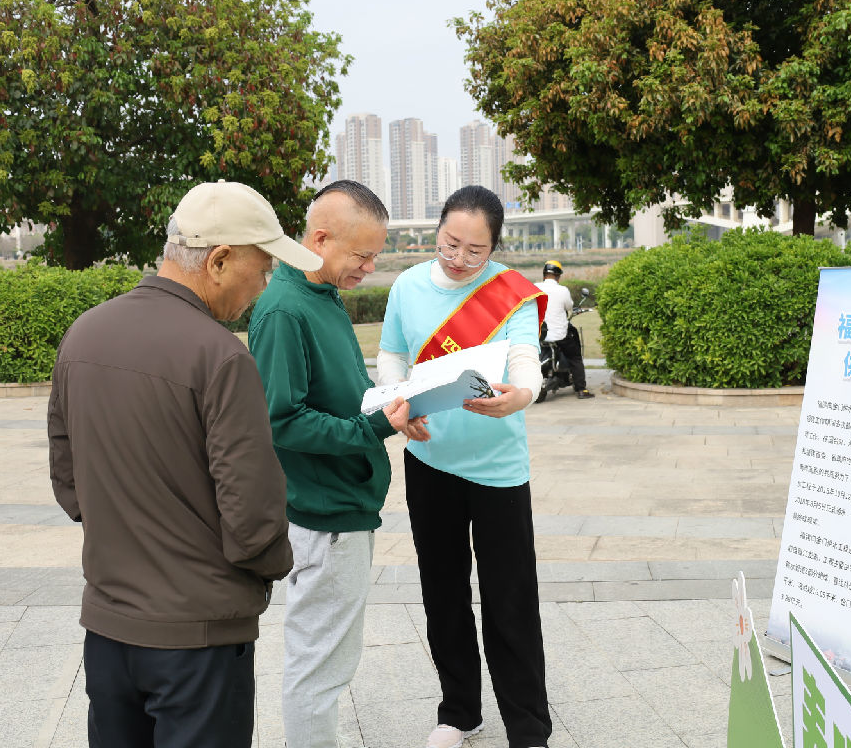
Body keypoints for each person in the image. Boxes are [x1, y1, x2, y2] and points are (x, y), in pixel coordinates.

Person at [48, 180, 320, 748]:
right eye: (263, 268)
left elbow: (69, 483)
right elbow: (252, 516)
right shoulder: (220, 356)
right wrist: (272, 566)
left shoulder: (83, 335)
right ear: (219, 261)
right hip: (199, 640)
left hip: (109, 629)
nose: (263, 285)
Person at [248, 179, 429, 748]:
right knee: (320, 667)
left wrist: (391, 407)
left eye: (376, 256)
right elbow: (281, 421)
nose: (370, 269)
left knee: (327, 660)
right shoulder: (285, 310)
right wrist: (374, 428)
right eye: (362, 255)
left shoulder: (320, 294)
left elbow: (335, 393)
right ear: (320, 239)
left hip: (343, 502)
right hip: (324, 512)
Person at [376, 185, 552, 748]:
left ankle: (528, 728)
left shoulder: (511, 292)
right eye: (450, 243)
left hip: (499, 469)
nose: (459, 258)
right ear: (438, 231)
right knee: (443, 591)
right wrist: (397, 403)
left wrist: (521, 395)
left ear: (494, 248)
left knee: (510, 598)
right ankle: (458, 713)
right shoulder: (407, 286)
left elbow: (524, 358)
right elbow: (392, 356)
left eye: (475, 250)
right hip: (430, 462)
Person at [534, 259, 594, 399]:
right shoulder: (563, 290)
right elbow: (569, 307)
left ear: (544, 274)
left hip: (540, 335)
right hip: (560, 335)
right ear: (558, 276)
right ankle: (581, 390)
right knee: (575, 357)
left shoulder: (535, 287)